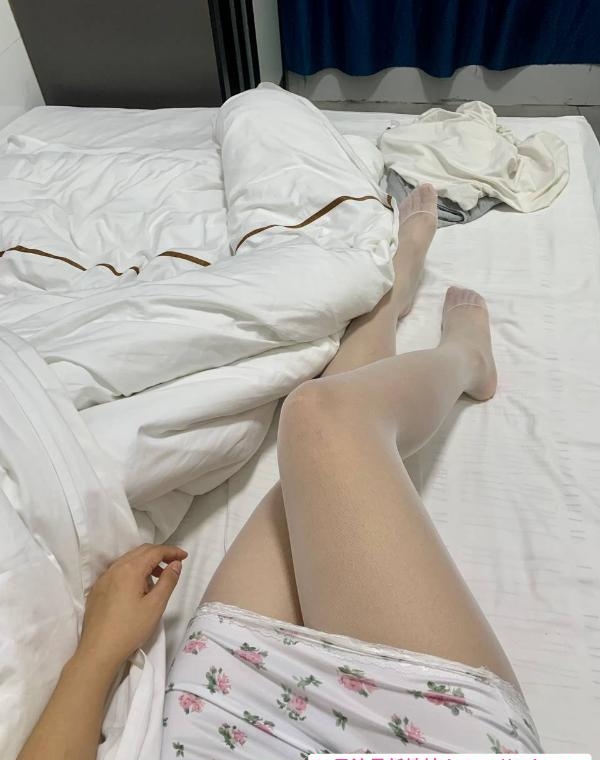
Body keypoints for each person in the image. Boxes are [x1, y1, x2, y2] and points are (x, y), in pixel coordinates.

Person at [17, 186, 543, 760]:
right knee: (322, 422)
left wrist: (98, 651)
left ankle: (392, 295)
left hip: (219, 728)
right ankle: (465, 357)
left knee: (315, 469)